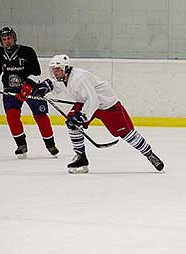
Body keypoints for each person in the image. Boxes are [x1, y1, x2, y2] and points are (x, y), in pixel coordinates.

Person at [32, 54, 164, 174]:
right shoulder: (64, 77)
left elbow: (93, 101)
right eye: (53, 69)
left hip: (107, 106)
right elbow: (57, 85)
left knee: (127, 134)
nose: (55, 72)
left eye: (58, 69)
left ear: (65, 68)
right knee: (72, 124)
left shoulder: (79, 78)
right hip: (85, 103)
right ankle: (81, 157)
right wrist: (45, 87)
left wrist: (82, 116)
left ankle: (149, 154)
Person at [0, 26, 59, 159]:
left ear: (14, 38)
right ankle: (21, 145)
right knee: (12, 116)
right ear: (1, 41)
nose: (7, 41)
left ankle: (50, 144)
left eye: (9, 38)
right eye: (4, 39)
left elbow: (36, 73)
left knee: (41, 116)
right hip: (11, 91)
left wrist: (28, 87)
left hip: (32, 88)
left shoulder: (27, 51)